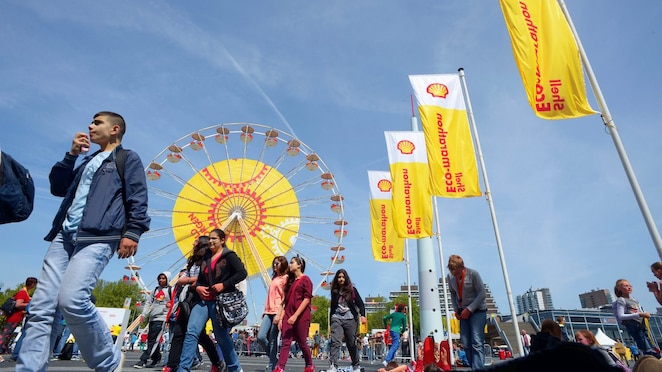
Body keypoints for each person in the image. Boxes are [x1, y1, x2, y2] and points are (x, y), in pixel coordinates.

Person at [17, 111, 150, 372]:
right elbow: (58, 188)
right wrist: (71, 155)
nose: (90, 126)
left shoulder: (126, 158)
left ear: (114, 129)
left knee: (72, 300)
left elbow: (138, 196)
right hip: (63, 236)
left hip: (99, 236)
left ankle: (107, 361)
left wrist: (132, 232)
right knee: (42, 308)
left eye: (97, 122)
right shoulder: (88, 160)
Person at [178, 229, 247, 372]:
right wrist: (197, 287)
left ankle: (235, 368)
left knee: (221, 337)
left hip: (219, 302)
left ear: (222, 240)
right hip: (203, 301)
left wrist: (224, 284)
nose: (210, 241)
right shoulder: (206, 257)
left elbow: (242, 273)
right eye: (209, 238)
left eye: (214, 238)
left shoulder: (229, 256)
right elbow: (201, 279)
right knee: (191, 333)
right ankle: (183, 369)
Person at [164, 237, 225, 372]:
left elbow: (210, 277)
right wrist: (193, 280)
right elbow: (180, 280)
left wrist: (193, 282)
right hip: (188, 299)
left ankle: (216, 362)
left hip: (202, 299)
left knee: (199, 335)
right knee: (179, 332)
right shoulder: (192, 263)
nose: (193, 243)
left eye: (196, 242)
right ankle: (172, 365)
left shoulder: (208, 261)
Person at [273, 255, 315, 372]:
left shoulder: (306, 280)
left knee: (302, 342)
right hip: (288, 315)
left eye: (292, 262)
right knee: (285, 342)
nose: (290, 264)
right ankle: (280, 367)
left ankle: (309, 364)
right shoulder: (290, 282)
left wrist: (295, 315)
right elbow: (284, 301)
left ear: (299, 265)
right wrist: (281, 317)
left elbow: (307, 299)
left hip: (301, 316)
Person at [446, 254, 487, 371]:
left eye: (457, 272)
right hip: (462, 311)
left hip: (477, 311)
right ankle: (474, 366)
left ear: (462, 267)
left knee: (477, 341)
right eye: (452, 272)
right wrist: (456, 309)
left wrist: (469, 309)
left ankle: (478, 368)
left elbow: (482, 294)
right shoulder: (450, 277)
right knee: (465, 342)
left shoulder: (473, 274)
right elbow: (453, 293)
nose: (455, 275)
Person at [328, 269, 367, 372]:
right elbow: (332, 306)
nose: (341, 279)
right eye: (339, 277)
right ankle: (333, 365)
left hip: (350, 319)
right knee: (335, 341)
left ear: (346, 278)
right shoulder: (334, 291)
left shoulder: (352, 290)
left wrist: (363, 315)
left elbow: (360, 304)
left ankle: (356, 365)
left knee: (351, 343)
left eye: (343, 277)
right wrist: (330, 321)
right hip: (337, 318)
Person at [613, 279, 661, 358]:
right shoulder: (621, 300)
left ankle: (652, 353)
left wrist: (644, 313)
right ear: (619, 288)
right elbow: (621, 315)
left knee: (648, 341)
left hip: (641, 324)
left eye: (629, 285)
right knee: (644, 344)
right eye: (625, 286)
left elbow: (639, 310)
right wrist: (639, 314)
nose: (629, 287)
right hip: (633, 325)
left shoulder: (634, 300)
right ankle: (649, 355)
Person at [257, 256, 289, 372]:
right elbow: (270, 296)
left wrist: (281, 315)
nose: (275, 265)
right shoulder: (274, 278)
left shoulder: (285, 278)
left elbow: (285, 298)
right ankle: (274, 360)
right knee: (260, 336)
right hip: (268, 311)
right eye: (274, 263)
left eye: (278, 264)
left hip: (277, 311)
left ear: (283, 265)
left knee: (272, 339)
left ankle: (272, 366)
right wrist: (264, 310)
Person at [134, 272, 172, 368]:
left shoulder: (171, 290)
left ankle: (143, 360)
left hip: (162, 317)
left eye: (163, 278)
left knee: (153, 340)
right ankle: (156, 357)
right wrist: (143, 314)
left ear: (167, 279)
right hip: (152, 317)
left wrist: (169, 309)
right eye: (160, 278)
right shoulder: (155, 290)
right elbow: (148, 303)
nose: (161, 280)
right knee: (151, 339)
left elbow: (175, 302)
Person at [0, 277, 37, 355]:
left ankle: (2, 349)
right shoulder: (23, 293)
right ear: (33, 284)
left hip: (16, 317)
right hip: (15, 317)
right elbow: (18, 304)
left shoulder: (24, 291)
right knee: (6, 334)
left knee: (7, 334)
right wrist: (30, 304)